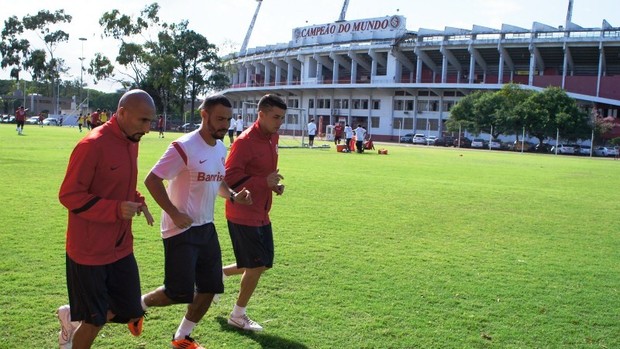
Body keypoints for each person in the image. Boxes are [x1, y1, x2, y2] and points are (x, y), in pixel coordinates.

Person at [140, 95, 252, 349]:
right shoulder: (183, 146)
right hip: (180, 230)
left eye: (228, 119)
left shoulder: (220, 148)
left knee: (211, 287)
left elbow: (217, 181)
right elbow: (152, 180)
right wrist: (174, 213)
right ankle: (138, 306)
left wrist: (234, 196)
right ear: (204, 115)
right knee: (178, 292)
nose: (225, 124)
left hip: (206, 228)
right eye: (220, 118)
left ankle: (181, 338)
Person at [56, 89, 156, 349]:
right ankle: (76, 326)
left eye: (151, 122)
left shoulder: (130, 141)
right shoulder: (92, 145)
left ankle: (71, 316)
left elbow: (118, 186)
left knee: (131, 309)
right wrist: (114, 209)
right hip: (89, 251)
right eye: (143, 121)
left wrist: (139, 201)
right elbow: (69, 195)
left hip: (121, 246)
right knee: (94, 320)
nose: (148, 129)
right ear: (122, 113)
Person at [222, 94, 287, 332]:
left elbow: (264, 174)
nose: (279, 122)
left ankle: (219, 274)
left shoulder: (273, 137)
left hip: (261, 210)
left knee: (263, 263)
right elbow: (228, 178)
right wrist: (263, 182)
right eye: (275, 117)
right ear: (261, 114)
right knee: (257, 265)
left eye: (282, 118)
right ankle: (238, 315)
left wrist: (272, 185)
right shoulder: (244, 141)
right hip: (242, 210)